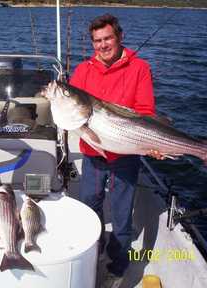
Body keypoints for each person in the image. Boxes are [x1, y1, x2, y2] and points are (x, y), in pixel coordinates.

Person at [69, 13, 161, 288]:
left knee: (122, 215)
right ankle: (92, 251)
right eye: (97, 40)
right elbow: (72, 109)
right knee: (89, 204)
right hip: (93, 153)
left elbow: (145, 112)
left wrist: (152, 144)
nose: (103, 45)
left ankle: (118, 267)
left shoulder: (140, 68)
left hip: (126, 154)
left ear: (119, 36)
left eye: (108, 38)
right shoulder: (83, 71)